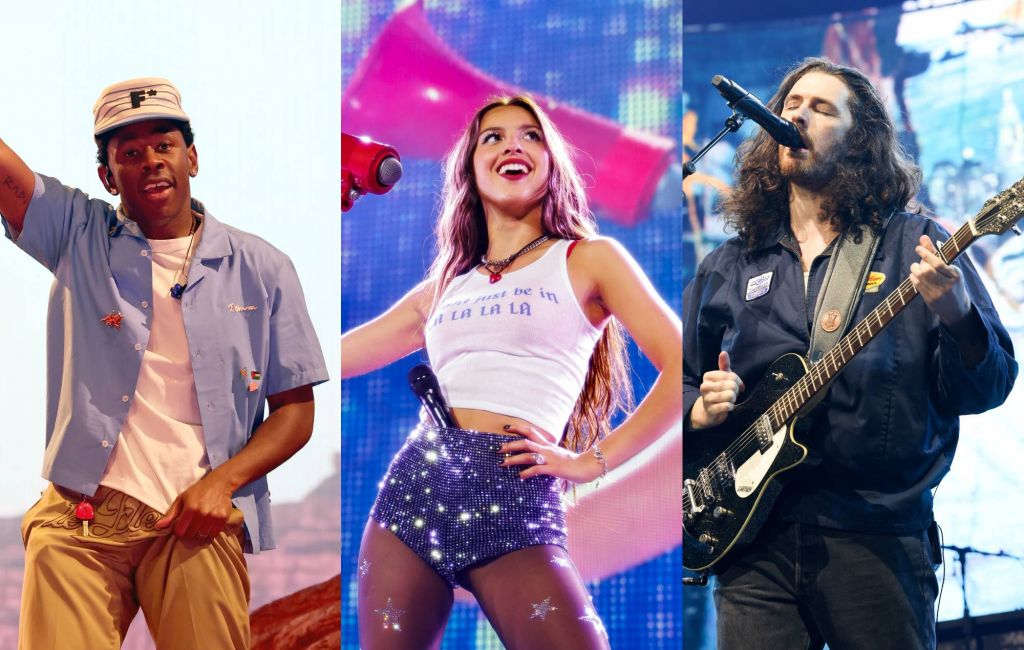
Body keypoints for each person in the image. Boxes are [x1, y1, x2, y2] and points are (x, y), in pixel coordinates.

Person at [683, 57, 1017, 649]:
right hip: (753, 540)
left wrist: (957, 314)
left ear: (859, 138)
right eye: (791, 105)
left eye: (821, 108)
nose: (798, 115)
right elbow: (679, 385)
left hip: (875, 534)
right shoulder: (729, 265)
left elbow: (986, 387)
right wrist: (699, 409)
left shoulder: (914, 243)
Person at [342, 96, 682, 649]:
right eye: (491, 137)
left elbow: (681, 367)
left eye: (530, 135)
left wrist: (590, 463)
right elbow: (322, 356)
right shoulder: (446, 285)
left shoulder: (590, 259)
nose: (511, 145)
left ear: (551, 165)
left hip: (515, 493)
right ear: (470, 169)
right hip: (412, 497)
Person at [0, 78, 329, 649]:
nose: (151, 160)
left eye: (164, 145)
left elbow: (295, 413)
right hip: (81, 518)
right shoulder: (80, 234)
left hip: (193, 518)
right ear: (108, 175)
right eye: (129, 152)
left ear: (192, 157)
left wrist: (222, 484)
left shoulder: (263, 267)